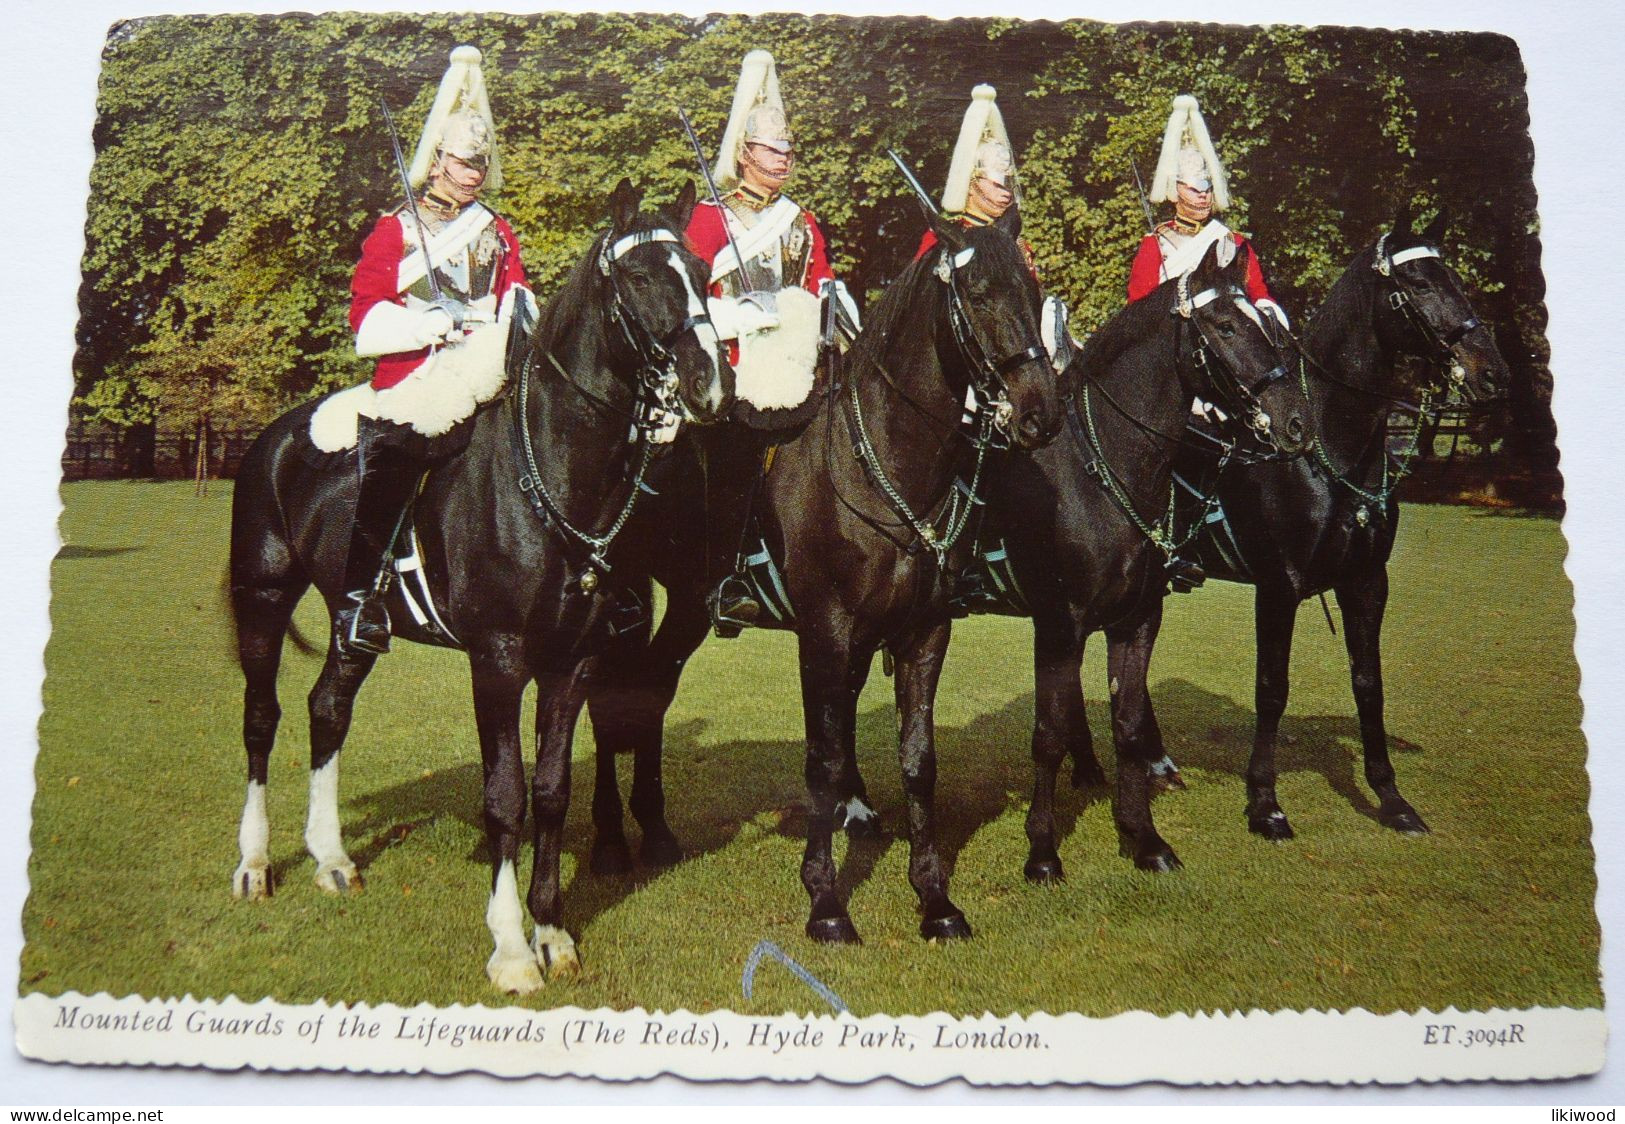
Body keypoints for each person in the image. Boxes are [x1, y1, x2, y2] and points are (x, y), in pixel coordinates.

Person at [336, 45, 533, 656]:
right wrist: (429, 324)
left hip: (487, 369)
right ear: (438, 160)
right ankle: (359, 598)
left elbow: (517, 297)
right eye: (460, 162)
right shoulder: (395, 228)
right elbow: (365, 322)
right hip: (416, 375)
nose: (471, 173)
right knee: (397, 456)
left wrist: (506, 323)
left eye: (480, 164)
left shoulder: (497, 231)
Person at [683, 49, 859, 633]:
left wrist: (838, 310)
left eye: (788, 151)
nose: (782, 160)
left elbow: (821, 280)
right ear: (744, 154)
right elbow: (688, 301)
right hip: (735, 371)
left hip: (798, 365)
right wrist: (745, 316)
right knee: (734, 460)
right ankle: (728, 574)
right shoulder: (712, 218)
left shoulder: (801, 220)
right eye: (771, 150)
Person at [913, 85, 1069, 366]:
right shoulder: (942, 238)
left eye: (1008, 184)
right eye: (997, 184)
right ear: (972, 185)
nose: (1006, 192)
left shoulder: (1016, 242)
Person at [1127, 93, 1289, 333]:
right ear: (1176, 190)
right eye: (1194, 189)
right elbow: (1138, 310)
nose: (1203, 196)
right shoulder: (1156, 245)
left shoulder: (1232, 242)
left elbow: (1259, 297)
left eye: (1208, 189)